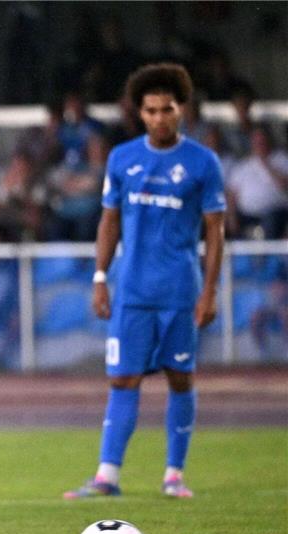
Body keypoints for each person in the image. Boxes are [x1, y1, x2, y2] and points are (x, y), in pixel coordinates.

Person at [64, 63, 226, 500]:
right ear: (139, 111)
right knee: (122, 379)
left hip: (179, 290)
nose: (159, 117)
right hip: (132, 291)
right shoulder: (122, 158)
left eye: (167, 109)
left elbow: (215, 230)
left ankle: (174, 475)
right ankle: (107, 476)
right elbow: (109, 221)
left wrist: (210, 290)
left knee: (179, 377)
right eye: (151, 110)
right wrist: (100, 278)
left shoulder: (203, 162)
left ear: (181, 110)